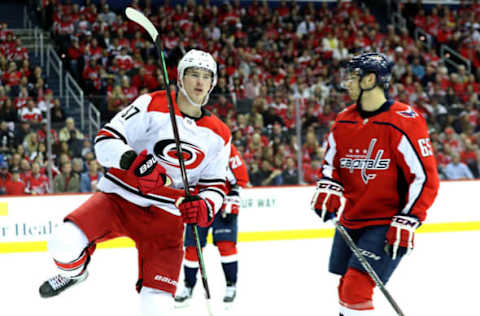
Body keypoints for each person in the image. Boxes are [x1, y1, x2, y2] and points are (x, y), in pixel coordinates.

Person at [38, 49, 231, 316]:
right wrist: (133, 161)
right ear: (179, 78)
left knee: (157, 307)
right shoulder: (151, 105)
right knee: (63, 241)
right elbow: (104, 142)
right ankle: (75, 274)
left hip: (166, 217)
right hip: (119, 198)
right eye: (193, 74)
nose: (199, 82)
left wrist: (206, 206)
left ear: (213, 83)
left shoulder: (219, 133)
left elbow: (216, 184)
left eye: (206, 76)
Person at [311, 52, 439, 316]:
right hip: (352, 217)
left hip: (387, 221)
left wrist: (409, 219)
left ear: (370, 79)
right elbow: (331, 166)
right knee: (346, 283)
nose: (346, 83)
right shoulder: (344, 120)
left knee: (356, 288)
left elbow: (425, 178)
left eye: (353, 77)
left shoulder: (404, 120)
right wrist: (328, 186)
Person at [175, 143, 249, 304]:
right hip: (199, 202)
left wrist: (234, 196)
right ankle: (188, 286)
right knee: (193, 248)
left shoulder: (225, 146)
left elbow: (240, 178)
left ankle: (231, 285)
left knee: (226, 245)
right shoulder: (191, 145)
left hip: (223, 202)